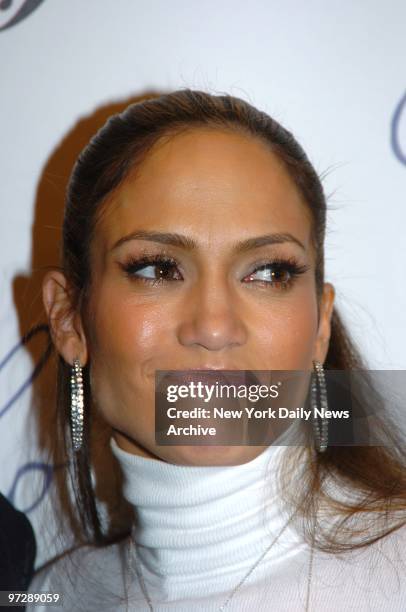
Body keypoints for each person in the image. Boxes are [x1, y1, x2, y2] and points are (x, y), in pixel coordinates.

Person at [28, 89, 406, 610]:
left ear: (319, 324)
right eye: (158, 269)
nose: (214, 326)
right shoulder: (47, 596)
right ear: (69, 319)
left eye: (269, 273)